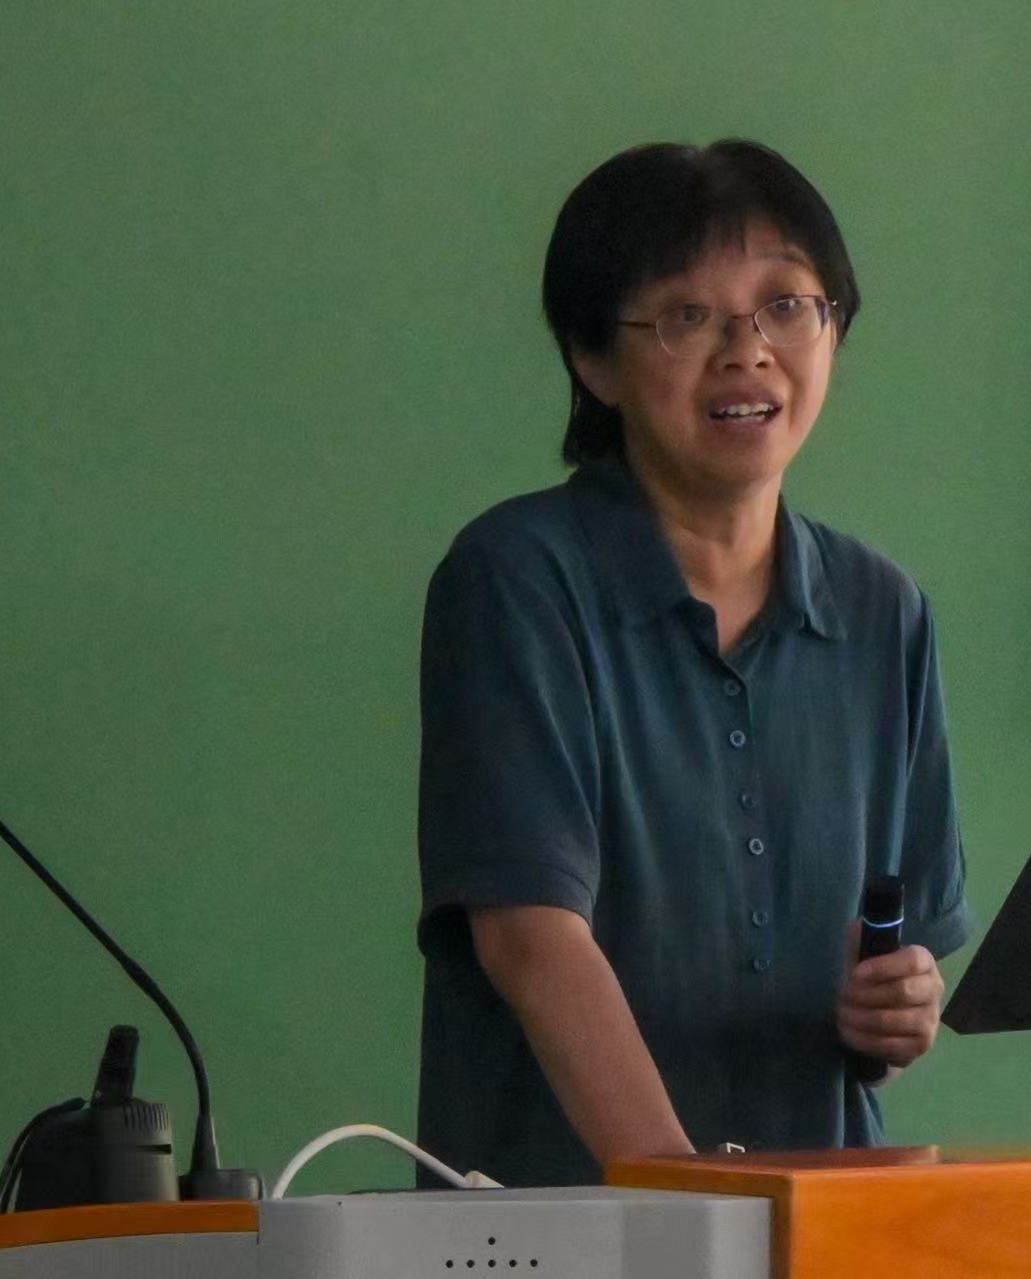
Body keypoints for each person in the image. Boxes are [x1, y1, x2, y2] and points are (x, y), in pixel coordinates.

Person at [416, 140, 972, 1188]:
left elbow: (899, 959)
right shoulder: (519, 579)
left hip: (817, 1222)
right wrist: (687, 1197)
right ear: (592, 360)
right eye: (687, 315)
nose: (747, 353)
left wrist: (895, 1010)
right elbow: (530, 938)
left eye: (786, 306)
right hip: (567, 1225)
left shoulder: (879, 610)